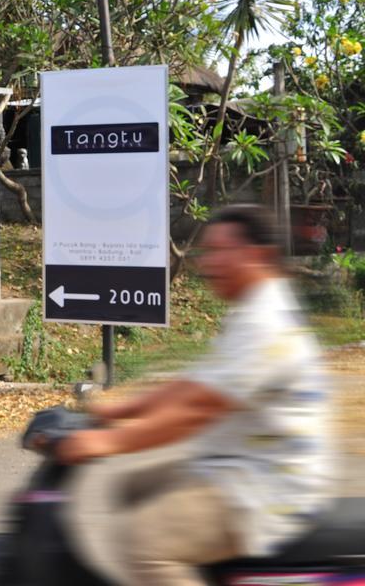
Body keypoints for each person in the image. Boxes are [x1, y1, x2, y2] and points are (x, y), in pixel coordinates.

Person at [59, 204, 334, 586]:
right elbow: (192, 386)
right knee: (130, 486)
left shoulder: (266, 325)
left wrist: (105, 441)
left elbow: (196, 412)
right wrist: (117, 412)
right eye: (208, 252)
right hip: (232, 464)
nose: (208, 263)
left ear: (258, 255)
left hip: (263, 487)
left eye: (221, 251)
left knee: (143, 542)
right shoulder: (248, 312)